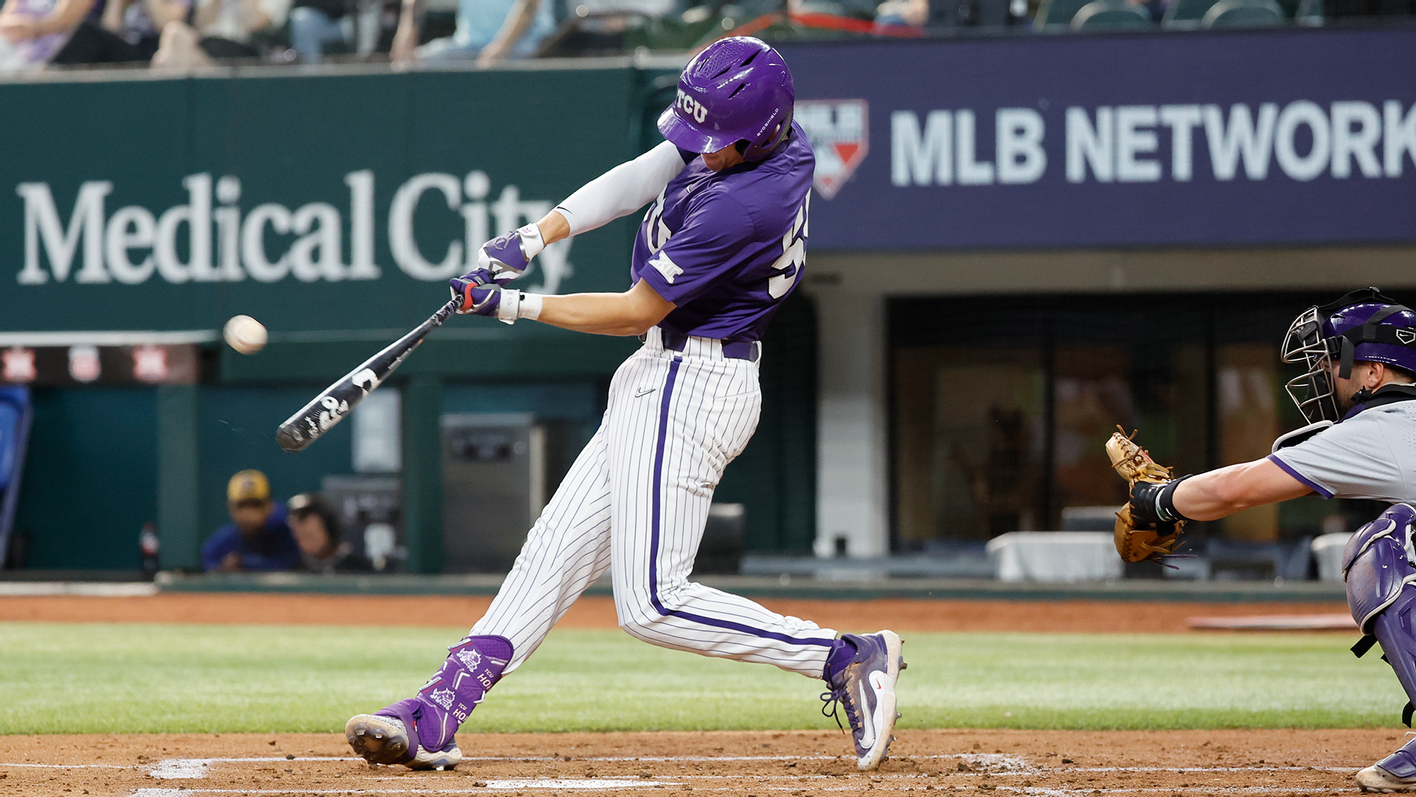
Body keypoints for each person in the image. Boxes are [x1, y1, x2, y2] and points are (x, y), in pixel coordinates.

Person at [344, 36, 905, 774]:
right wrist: (537, 233)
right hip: (661, 373)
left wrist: (513, 303)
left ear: (759, 133)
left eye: (717, 143)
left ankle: (843, 656)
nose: (702, 151)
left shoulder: (749, 202)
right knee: (552, 551)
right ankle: (442, 706)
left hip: (696, 382)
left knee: (651, 603)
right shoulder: (758, 138)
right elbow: (650, 169)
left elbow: (636, 309)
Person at [1115, 287, 1416, 792]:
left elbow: (1237, 489)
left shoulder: (1385, 427)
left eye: (1333, 364)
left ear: (1372, 372)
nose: (1326, 376)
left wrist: (1157, 501)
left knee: (1384, 546)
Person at [387, 0, 552, 65]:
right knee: (407, 66)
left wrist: (499, 49)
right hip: (467, 47)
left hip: (526, 48)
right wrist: (407, 34)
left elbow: (529, 5)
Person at [201, 469, 301, 572]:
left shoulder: (289, 536)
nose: (248, 513)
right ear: (231, 508)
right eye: (242, 505)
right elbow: (210, 565)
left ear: (270, 506)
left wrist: (245, 565)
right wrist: (222, 570)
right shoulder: (218, 547)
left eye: (255, 505)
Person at [288, 492, 374, 573]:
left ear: (329, 528)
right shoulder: (295, 573)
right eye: (301, 537)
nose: (306, 543)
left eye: (310, 535)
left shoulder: (359, 569)